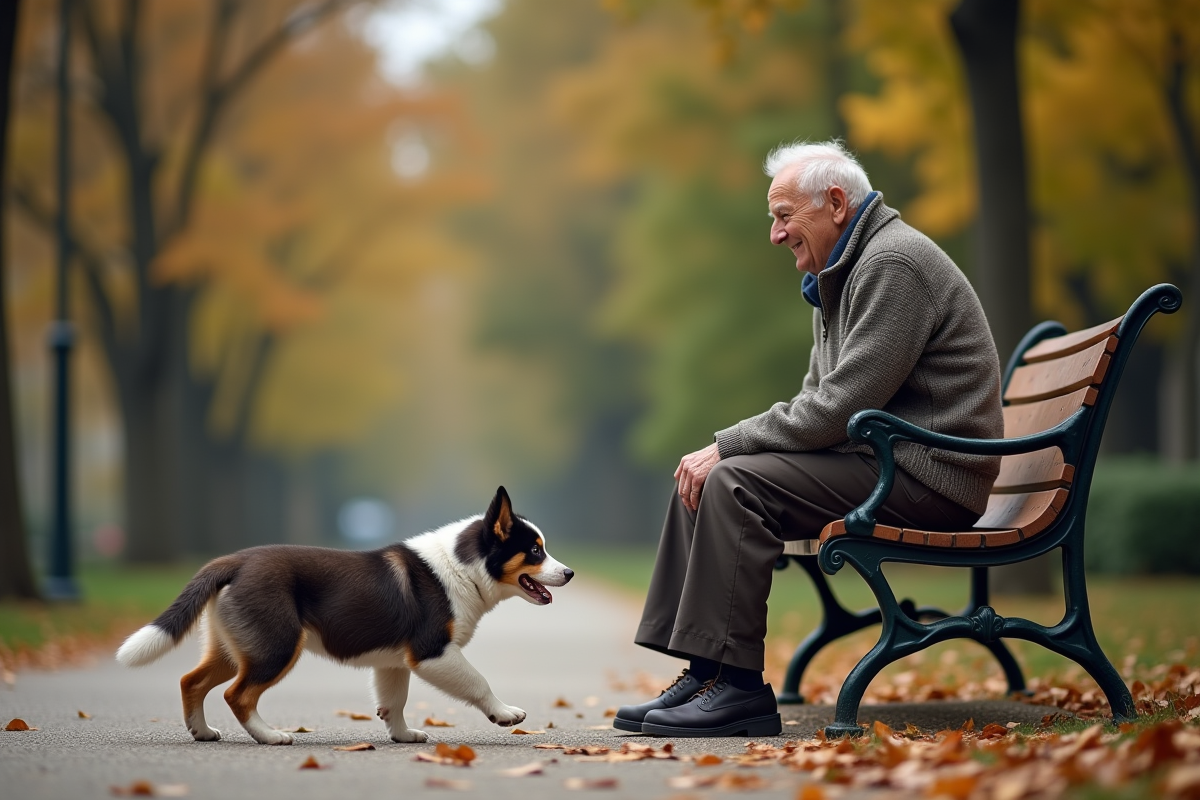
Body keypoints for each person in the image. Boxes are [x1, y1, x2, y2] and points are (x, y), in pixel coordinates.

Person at [613, 140, 1004, 738]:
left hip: (932, 476)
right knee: (706, 474)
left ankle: (739, 690)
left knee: (736, 479)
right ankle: (707, 672)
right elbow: (816, 403)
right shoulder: (843, 274)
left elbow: (839, 407)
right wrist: (721, 450)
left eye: (783, 215)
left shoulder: (891, 265)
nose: (775, 234)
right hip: (888, 462)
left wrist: (729, 443)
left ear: (837, 204)